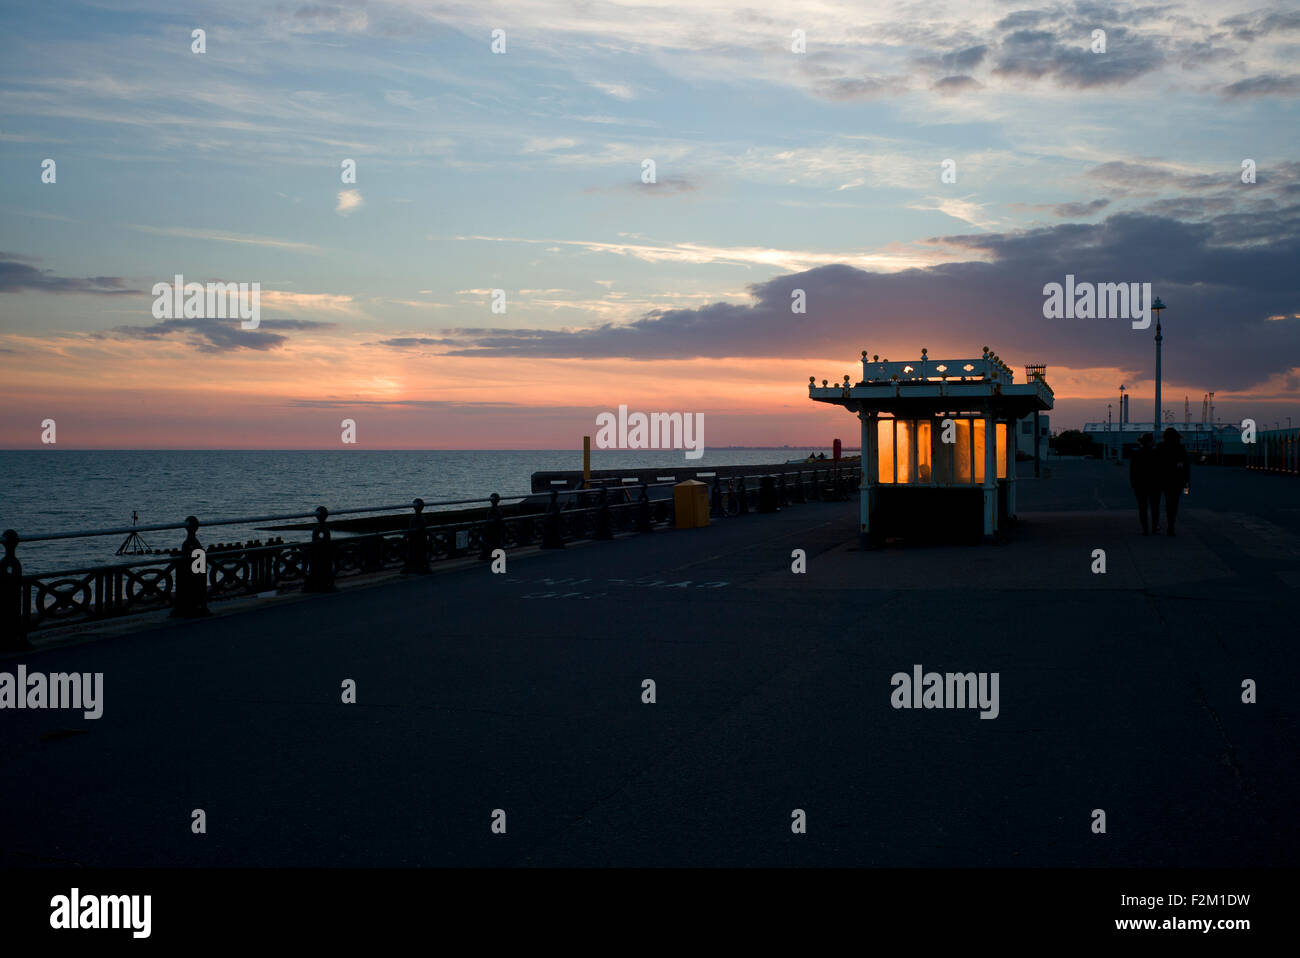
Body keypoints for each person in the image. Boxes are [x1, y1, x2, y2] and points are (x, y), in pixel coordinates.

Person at [1155, 427, 1190, 536]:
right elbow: (1186, 468)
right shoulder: (1181, 448)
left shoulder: (1160, 447)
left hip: (1163, 479)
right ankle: (1171, 525)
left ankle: (1156, 525)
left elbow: (1155, 464)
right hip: (1177, 480)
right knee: (1173, 503)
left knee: (1162, 502)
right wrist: (1187, 484)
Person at [1129, 433, 1159, 534]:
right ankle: (1154, 528)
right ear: (1150, 442)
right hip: (1154, 484)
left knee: (1142, 508)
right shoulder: (1156, 454)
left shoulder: (1136, 454)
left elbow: (1132, 470)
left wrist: (1133, 483)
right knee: (1155, 507)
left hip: (1140, 484)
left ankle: (1145, 529)